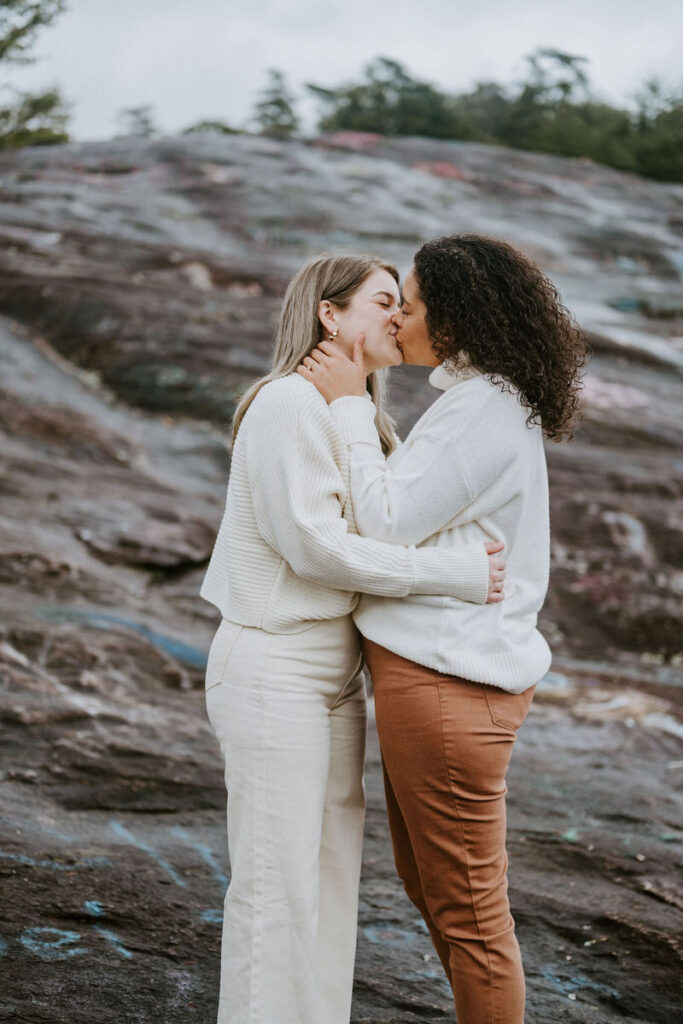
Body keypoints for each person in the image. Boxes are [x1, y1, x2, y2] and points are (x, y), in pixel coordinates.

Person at [199, 252, 506, 1024]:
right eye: (380, 302)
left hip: (335, 678)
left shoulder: (363, 417)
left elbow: (401, 522)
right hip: (275, 665)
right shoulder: (285, 405)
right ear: (329, 317)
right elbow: (317, 547)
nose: (397, 319)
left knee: (330, 880)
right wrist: (459, 577)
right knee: (275, 887)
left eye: (401, 304)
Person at [298, 234, 585, 1024]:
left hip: (450, 688)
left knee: (469, 918)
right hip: (433, 680)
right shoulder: (474, 399)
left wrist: (351, 404)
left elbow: (385, 522)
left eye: (412, 308)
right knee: (433, 891)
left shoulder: (484, 406)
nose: (398, 322)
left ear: (455, 319)